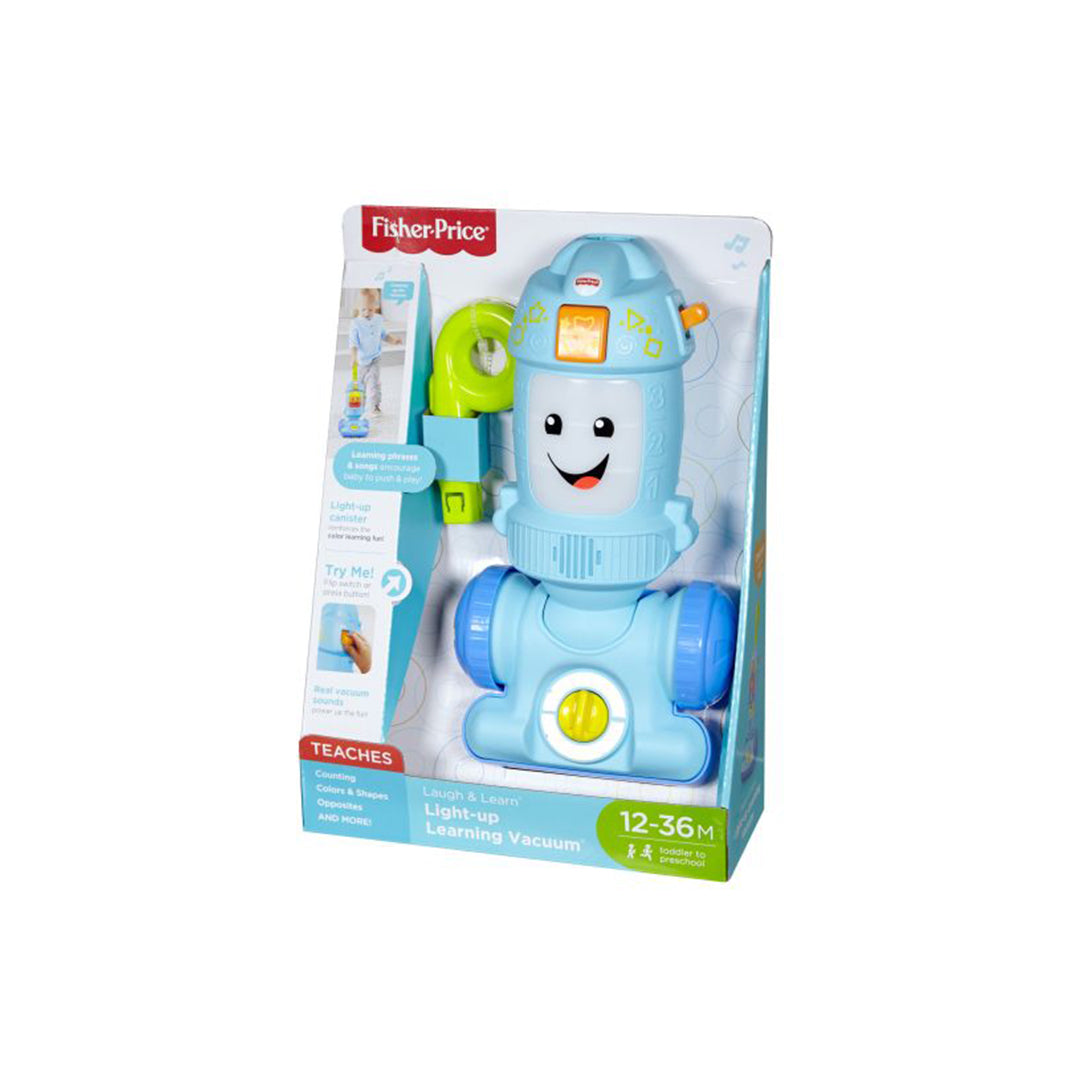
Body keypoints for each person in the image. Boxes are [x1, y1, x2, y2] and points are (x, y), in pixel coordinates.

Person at [348, 289, 401, 416]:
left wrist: (393, 340)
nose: (367, 313)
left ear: (375, 307)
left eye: (370, 310)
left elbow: (383, 335)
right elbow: (353, 343)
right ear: (358, 308)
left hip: (375, 358)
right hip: (361, 361)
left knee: (374, 383)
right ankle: (358, 406)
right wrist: (353, 357)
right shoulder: (356, 323)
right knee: (359, 385)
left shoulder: (378, 320)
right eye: (363, 310)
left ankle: (375, 406)